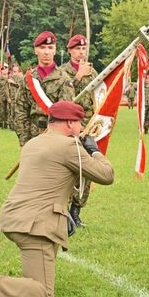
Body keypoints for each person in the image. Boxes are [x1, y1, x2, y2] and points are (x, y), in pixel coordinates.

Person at [0, 101, 114, 297]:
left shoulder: (33, 143)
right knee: (43, 293)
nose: (81, 128)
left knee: (39, 276)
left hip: (16, 218)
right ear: (69, 123)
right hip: (36, 225)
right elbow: (106, 175)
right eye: (79, 123)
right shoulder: (68, 147)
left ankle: (1, 284)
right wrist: (94, 151)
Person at [61, 34, 98, 227]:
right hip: (70, 126)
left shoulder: (93, 72)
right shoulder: (63, 72)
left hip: (89, 126)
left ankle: (77, 211)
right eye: (77, 49)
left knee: (87, 170)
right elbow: (63, 99)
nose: (81, 52)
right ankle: (64, 211)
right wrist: (77, 77)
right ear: (70, 51)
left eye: (84, 49)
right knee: (69, 169)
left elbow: (99, 96)